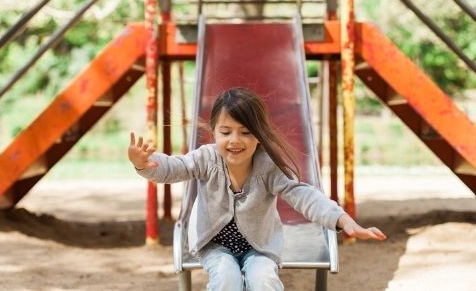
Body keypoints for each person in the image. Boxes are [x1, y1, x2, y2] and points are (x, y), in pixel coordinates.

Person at [128, 87, 386, 291]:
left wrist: (341, 219)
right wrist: (147, 164)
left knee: (262, 279)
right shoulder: (206, 158)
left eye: (245, 132)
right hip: (214, 244)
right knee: (226, 278)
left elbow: (303, 194)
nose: (235, 141)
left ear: (259, 136)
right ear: (214, 132)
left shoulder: (267, 166)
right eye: (226, 132)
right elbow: (176, 167)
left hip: (260, 246)